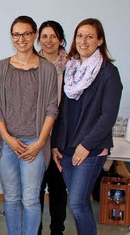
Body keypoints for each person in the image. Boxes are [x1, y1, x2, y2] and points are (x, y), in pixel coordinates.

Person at [51, 18, 123, 235]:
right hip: (66, 148)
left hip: (91, 149)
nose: (83, 41)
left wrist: (86, 145)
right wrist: (56, 145)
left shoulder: (108, 73)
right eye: (80, 35)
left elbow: (108, 116)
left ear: (100, 41)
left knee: (76, 203)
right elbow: (62, 112)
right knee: (80, 205)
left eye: (90, 36)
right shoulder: (70, 70)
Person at [0, 16, 58, 235]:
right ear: (11, 37)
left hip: (34, 143)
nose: (21, 39)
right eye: (16, 34)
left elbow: (51, 108)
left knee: (30, 199)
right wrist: (7, 138)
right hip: (7, 143)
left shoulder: (47, 69)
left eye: (26, 33)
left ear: (35, 34)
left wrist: (40, 143)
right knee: (11, 198)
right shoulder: (0, 68)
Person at [36, 20, 68, 235]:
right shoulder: (32, 62)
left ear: (61, 40)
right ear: (39, 39)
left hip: (62, 132)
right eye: (45, 36)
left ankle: (58, 229)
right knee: (36, 187)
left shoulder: (73, 65)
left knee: (57, 188)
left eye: (53, 36)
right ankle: (34, 229)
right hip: (36, 132)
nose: (49, 41)